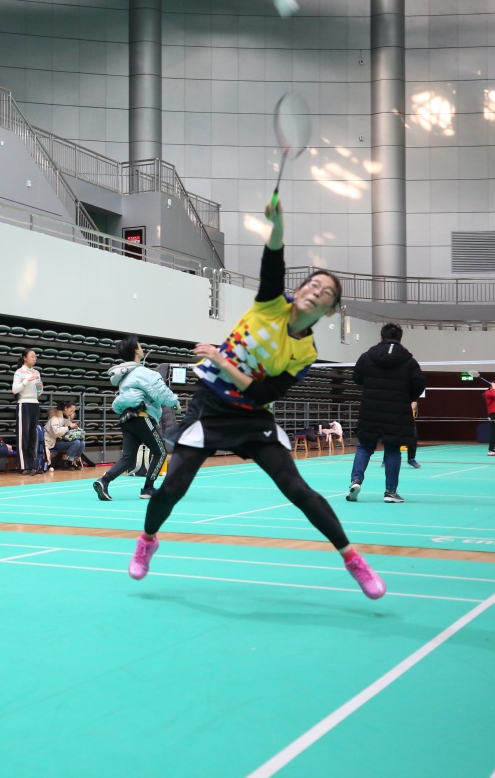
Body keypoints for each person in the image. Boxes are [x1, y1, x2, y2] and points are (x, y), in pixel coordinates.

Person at [129, 200, 385, 600]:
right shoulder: (270, 304)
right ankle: (147, 540)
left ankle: (353, 559)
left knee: (296, 488)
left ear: (330, 309)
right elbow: (273, 262)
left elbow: (264, 393)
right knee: (174, 486)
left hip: (252, 416)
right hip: (210, 407)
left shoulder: (305, 353)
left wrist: (221, 360)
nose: (316, 292)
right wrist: (277, 226)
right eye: (312, 285)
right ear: (299, 291)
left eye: (326, 293)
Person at [92, 335, 180, 502]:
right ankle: (148, 488)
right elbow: (160, 391)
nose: (142, 348)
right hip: (141, 417)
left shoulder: (125, 375)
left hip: (127, 419)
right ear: (135, 351)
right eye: (140, 346)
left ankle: (103, 481)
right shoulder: (142, 372)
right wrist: (175, 403)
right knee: (160, 452)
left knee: (129, 459)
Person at [346, 324, 426, 504]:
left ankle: (355, 481)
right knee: (392, 450)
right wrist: (407, 397)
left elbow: (356, 378)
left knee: (364, 447)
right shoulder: (409, 362)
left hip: (370, 410)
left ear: (381, 337)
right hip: (396, 412)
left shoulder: (367, 357)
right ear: (400, 339)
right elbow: (419, 385)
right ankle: (390, 492)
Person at [11, 348, 43, 475]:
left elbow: (39, 394)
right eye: (32, 356)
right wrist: (26, 380)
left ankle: (32, 465)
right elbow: (14, 390)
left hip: (35, 403)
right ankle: (23, 466)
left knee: (32, 436)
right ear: (24, 358)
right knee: (23, 436)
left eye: (35, 357)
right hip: (23, 403)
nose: (34, 359)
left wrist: (40, 388)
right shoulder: (19, 372)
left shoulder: (36, 372)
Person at [45, 400, 85, 469]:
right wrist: (69, 428)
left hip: (60, 440)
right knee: (76, 443)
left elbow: (68, 430)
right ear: (66, 408)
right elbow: (55, 432)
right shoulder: (55, 418)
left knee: (82, 443)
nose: (72, 413)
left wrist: (76, 430)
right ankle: (67, 462)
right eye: (71, 411)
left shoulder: (66, 418)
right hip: (52, 442)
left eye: (73, 411)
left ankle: (74, 462)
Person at [407, 401, 421, 468]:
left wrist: (408, 411)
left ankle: (411, 459)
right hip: (395, 416)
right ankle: (385, 460)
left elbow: (414, 402)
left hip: (408, 417)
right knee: (391, 437)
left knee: (413, 437)